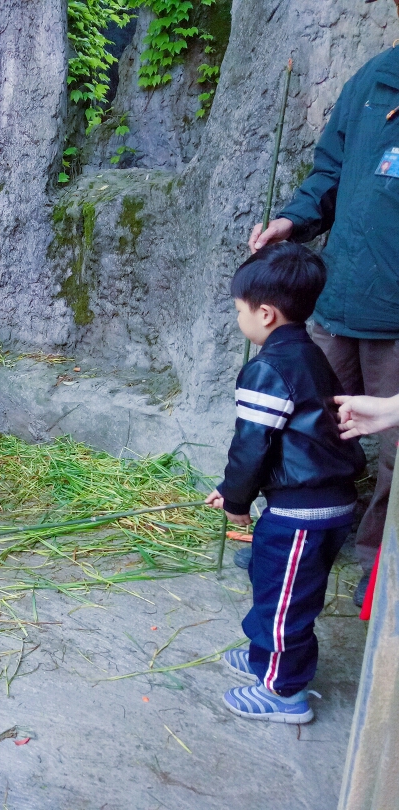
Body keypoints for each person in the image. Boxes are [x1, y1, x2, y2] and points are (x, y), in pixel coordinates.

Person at [248, 0, 399, 607]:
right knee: (309, 432)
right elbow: (329, 172)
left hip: (396, 322)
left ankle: (378, 572)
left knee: (394, 458)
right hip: (338, 303)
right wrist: (292, 219)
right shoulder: (374, 77)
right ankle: (304, 537)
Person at [205, 242, 366, 724]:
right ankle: (265, 655)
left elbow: (252, 445)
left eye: (239, 310)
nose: (239, 319)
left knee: (283, 599)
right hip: (319, 501)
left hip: (302, 510)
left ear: (266, 313)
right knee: (277, 583)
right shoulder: (308, 353)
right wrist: (231, 488)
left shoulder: (267, 368)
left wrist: (236, 500)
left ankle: (283, 691)